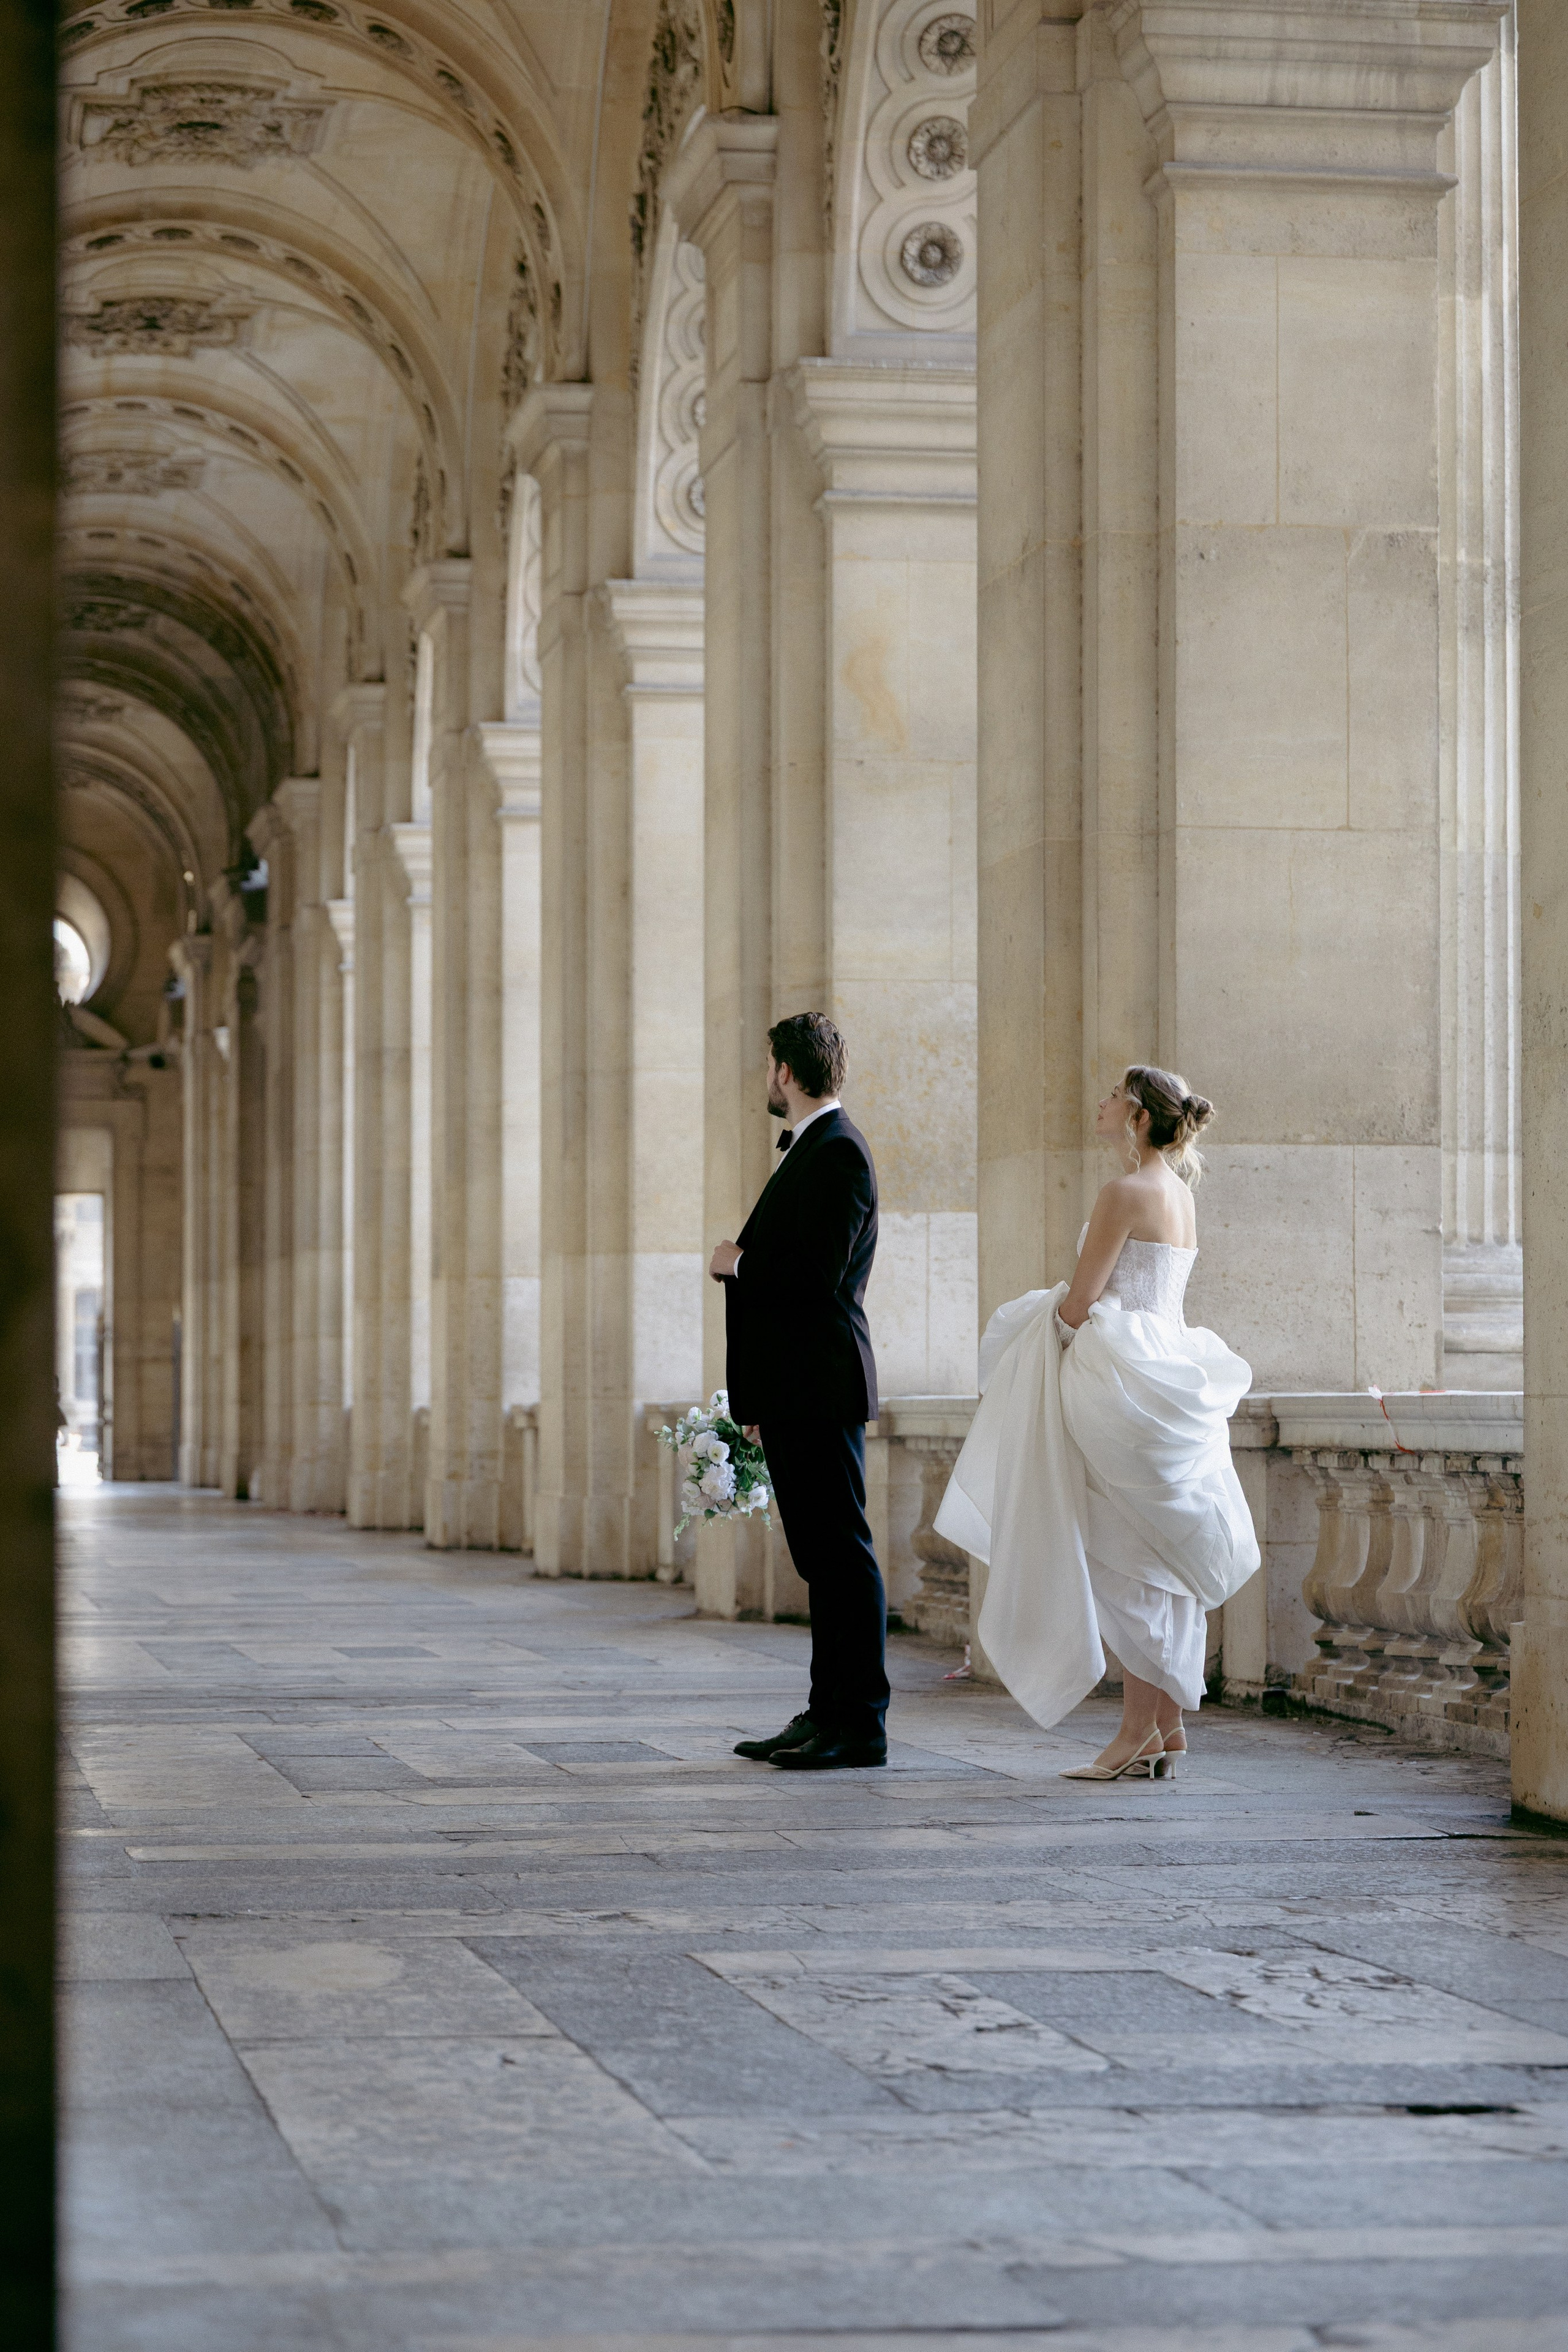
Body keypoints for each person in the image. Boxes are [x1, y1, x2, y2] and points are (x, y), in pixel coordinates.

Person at [935, 1065, 1259, 1781]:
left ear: (1139, 1117)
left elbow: (1081, 1301)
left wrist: (1031, 1339)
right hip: (1169, 1369)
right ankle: (1167, 1723)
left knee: (1127, 1559)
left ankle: (1136, 1732)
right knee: (1158, 1553)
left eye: (1115, 1095)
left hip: (1121, 1381)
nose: (1102, 1102)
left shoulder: (1122, 1192)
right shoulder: (1178, 1193)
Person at [710, 1012, 890, 1770]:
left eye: (768, 1066)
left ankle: (860, 1727)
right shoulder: (814, 1149)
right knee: (822, 1560)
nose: (766, 1079)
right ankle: (826, 1713)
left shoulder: (839, 1152)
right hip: (796, 1388)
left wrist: (737, 1264)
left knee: (842, 1557)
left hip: (820, 1386)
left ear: (786, 1070)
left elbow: (817, 1277)